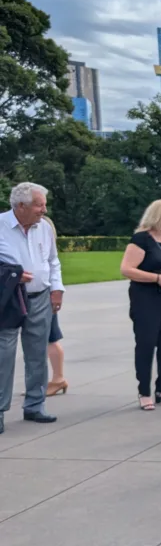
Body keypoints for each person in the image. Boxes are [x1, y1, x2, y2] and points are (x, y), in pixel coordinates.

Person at [0, 183, 64, 431]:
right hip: (8, 300)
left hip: (40, 297)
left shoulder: (44, 227)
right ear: (21, 206)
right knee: (4, 355)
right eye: (39, 205)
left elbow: (53, 260)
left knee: (37, 352)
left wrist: (57, 288)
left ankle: (35, 406)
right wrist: (13, 275)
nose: (44, 209)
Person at [119, 201, 161, 411]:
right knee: (146, 343)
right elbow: (127, 269)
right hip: (145, 297)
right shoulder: (141, 239)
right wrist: (156, 278)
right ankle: (144, 391)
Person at [40, 217, 68, 396]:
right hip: (46, 290)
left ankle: (58, 378)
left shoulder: (43, 227)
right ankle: (45, 380)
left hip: (45, 292)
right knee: (47, 337)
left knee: (50, 337)